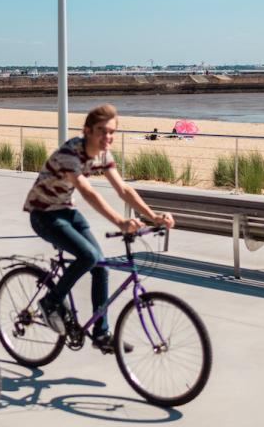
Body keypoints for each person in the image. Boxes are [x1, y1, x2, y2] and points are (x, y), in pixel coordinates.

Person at [24, 104, 175, 354]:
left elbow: (123, 189)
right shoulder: (69, 155)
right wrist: (120, 222)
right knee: (89, 256)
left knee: (100, 266)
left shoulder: (103, 155)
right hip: (43, 214)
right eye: (102, 131)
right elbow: (88, 192)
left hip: (66, 210)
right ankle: (50, 302)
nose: (108, 137)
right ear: (87, 131)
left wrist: (153, 217)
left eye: (112, 132)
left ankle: (101, 334)